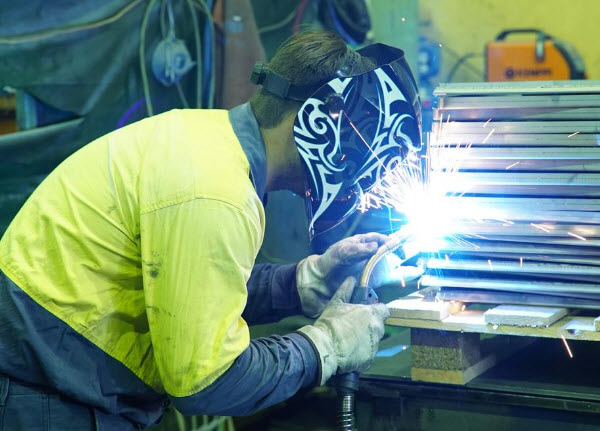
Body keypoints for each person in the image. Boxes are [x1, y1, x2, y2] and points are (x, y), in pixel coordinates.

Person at [0, 30, 421, 429]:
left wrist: (299, 283)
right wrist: (326, 347)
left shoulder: (206, 142)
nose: (364, 180)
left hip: (47, 384)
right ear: (324, 117)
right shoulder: (215, 191)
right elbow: (207, 382)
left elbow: (187, 290)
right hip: (42, 402)